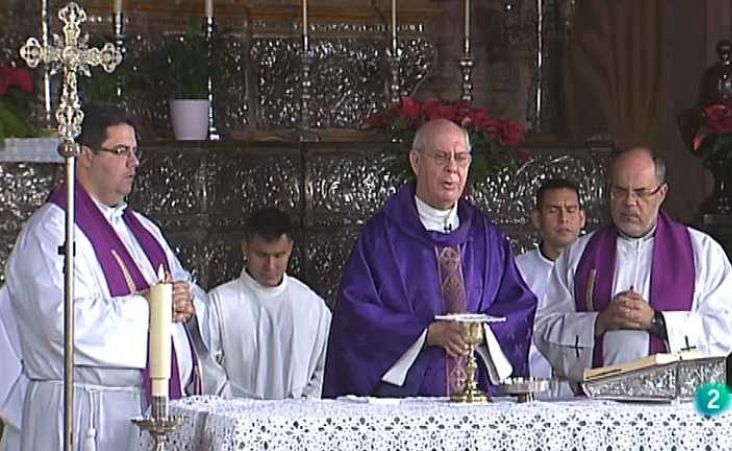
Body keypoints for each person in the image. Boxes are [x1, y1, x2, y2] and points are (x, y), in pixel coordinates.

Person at [0, 105, 209, 451]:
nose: (134, 162)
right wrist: (151, 307)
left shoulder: (143, 230)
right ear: (85, 156)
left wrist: (188, 305)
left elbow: (190, 294)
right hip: (84, 413)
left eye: (135, 152)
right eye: (120, 151)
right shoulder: (53, 231)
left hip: (147, 410)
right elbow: (68, 324)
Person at [322, 118, 537, 398]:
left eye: (460, 158)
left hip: (479, 402)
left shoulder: (486, 236)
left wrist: (482, 333)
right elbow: (357, 317)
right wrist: (426, 334)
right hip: (406, 404)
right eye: (440, 157)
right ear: (415, 161)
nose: (452, 168)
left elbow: (518, 304)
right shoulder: (382, 238)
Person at [533, 147, 732, 382]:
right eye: (620, 191)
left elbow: (725, 329)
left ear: (661, 194)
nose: (629, 202)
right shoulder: (579, 254)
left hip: (675, 408)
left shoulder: (702, 252)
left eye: (641, 192)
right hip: (598, 404)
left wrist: (656, 322)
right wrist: (600, 322)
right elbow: (544, 327)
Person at [201, 208, 331, 399]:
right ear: (245, 249)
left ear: (291, 249)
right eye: (261, 255)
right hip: (238, 419)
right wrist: (242, 409)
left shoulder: (312, 306)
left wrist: (304, 407)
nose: (270, 266)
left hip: (298, 420)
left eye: (279, 256)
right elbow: (207, 369)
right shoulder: (219, 304)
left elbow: (326, 368)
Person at [515, 178, 585, 397]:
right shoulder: (517, 271)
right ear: (537, 219)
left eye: (571, 210)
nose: (563, 218)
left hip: (586, 393)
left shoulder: (597, 268)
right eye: (553, 211)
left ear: (582, 218)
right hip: (531, 392)